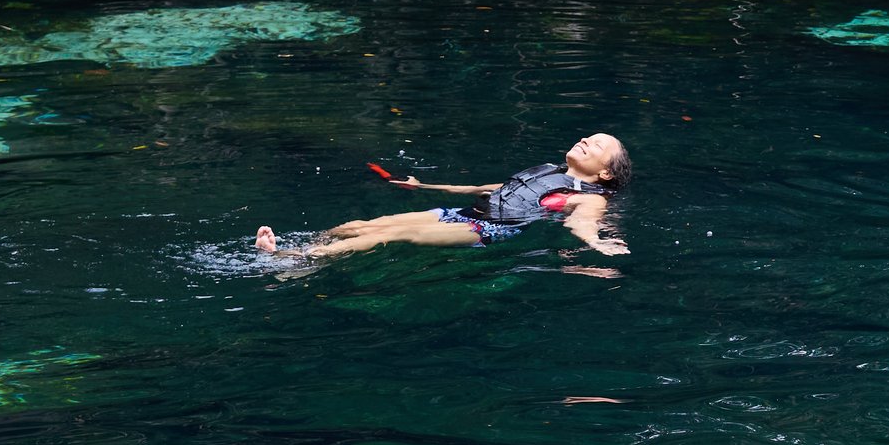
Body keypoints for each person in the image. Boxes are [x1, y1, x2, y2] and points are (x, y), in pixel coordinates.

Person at [256, 132, 631, 261]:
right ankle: (301, 248)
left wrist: (598, 247)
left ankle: (292, 261)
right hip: (466, 210)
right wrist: (423, 188)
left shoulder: (591, 196)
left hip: (490, 229)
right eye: (586, 137)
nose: (585, 141)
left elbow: (583, 225)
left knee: (390, 235)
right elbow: (478, 189)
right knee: (363, 224)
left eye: (595, 145)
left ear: (605, 172)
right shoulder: (547, 170)